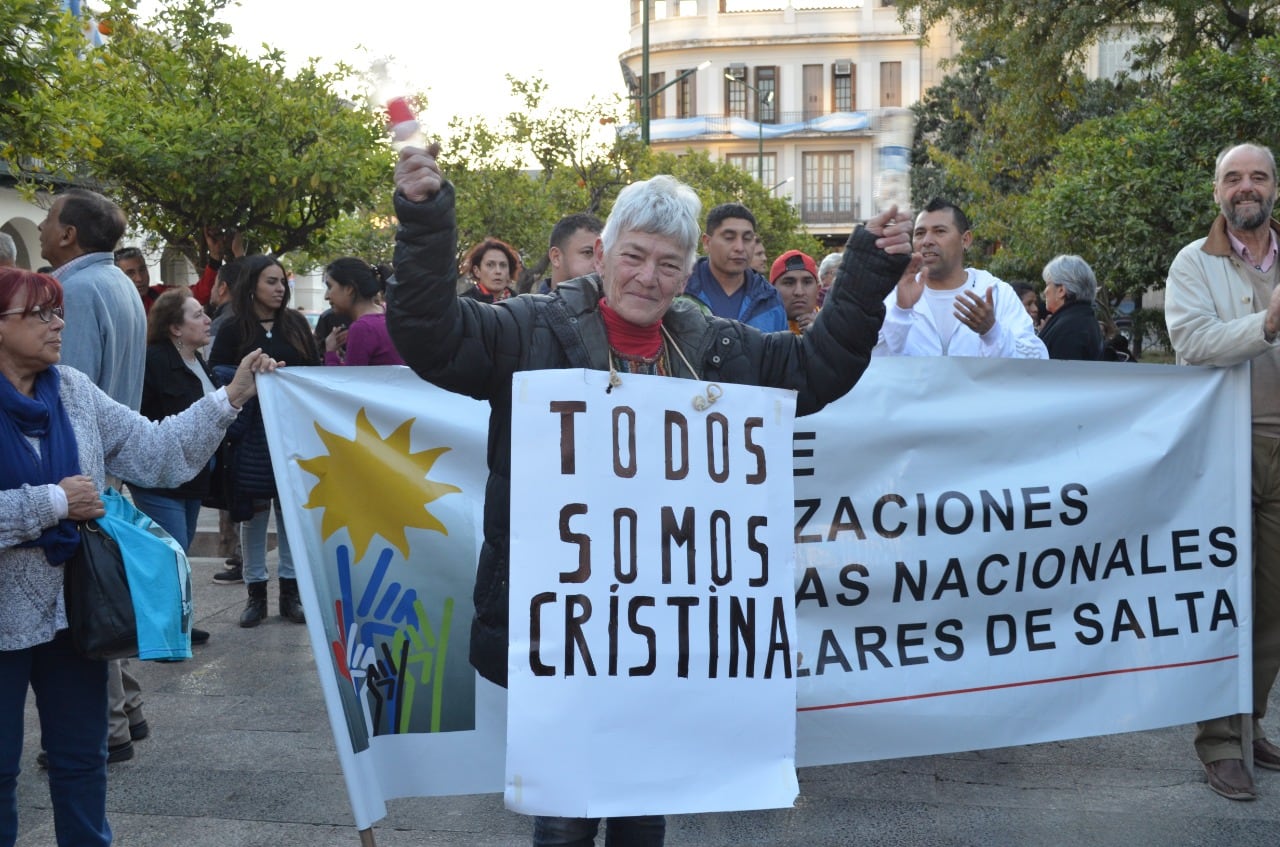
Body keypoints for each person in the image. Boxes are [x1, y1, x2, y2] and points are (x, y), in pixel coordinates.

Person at [387, 144, 915, 847]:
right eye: (634, 256)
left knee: (643, 810)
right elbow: (432, 336)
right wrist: (425, 219)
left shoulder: (717, 347)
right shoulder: (528, 329)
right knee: (566, 816)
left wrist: (869, 267)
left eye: (668, 264)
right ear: (602, 253)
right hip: (563, 626)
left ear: (688, 272)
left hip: (663, 628)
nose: (647, 276)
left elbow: (817, 367)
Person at [0, 266, 277, 847]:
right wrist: (53, 502)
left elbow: (158, 451)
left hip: (74, 613)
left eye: (58, 311)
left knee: (83, 759)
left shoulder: (72, 390)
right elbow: (60, 501)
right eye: (40, 314)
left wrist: (231, 396)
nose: (58, 324)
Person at [1165, 142, 1280, 801]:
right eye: (1233, 178)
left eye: (1258, 176)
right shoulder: (1192, 262)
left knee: (1272, 606)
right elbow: (1194, 342)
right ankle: (1218, 743)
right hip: (1225, 447)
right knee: (1222, 600)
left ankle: (1248, 723)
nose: (1246, 187)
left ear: (1275, 187)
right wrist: (1266, 322)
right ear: (1217, 192)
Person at [39, 188, 151, 766]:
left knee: (88, 600)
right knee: (104, 590)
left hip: (83, 473)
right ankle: (128, 707)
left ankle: (108, 729)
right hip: (108, 464)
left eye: (48, 218)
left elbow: (66, 393)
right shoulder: (118, 283)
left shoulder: (78, 291)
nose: (40, 227)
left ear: (69, 234)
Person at [209, 255, 319, 628]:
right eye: (271, 281)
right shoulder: (232, 329)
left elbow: (314, 373)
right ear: (252, 285)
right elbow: (218, 377)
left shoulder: (296, 325)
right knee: (253, 516)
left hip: (292, 435)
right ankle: (255, 594)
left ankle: (291, 594)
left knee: (291, 515)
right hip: (250, 440)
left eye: (282, 282)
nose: (279, 288)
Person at [874, 198, 1047, 358]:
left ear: (965, 240)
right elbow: (872, 365)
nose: (927, 241)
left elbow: (1036, 361)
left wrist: (992, 333)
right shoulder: (894, 295)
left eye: (939, 231)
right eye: (919, 233)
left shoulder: (997, 293)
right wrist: (900, 313)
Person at [683, 203, 786, 330]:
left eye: (747, 238)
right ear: (707, 242)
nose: (740, 248)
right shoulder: (680, 289)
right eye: (729, 238)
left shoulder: (769, 298)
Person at [321, 258, 403, 366]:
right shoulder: (389, 314)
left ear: (349, 288)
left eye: (329, 287)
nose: (326, 296)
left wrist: (331, 353)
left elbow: (351, 376)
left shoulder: (362, 328)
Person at [1038, 255, 1103, 360]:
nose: (1045, 291)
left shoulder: (1069, 329)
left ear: (1061, 290)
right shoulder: (1082, 319)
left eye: (1047, 284)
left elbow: (1061, 369)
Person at [534, 213, 603, 294]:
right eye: (588, 252)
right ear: (556, 257)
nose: (599, 264)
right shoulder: (527, 302)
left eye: (602, 255)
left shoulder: (611, 300)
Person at [770, 249, 821, 334]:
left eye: (807, 282)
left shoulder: (837, 328)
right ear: (772, 291)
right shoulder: (758, 332)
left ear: (818, 290)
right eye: (789, 283)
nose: (799, 292)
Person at [459, 238, 519, 303]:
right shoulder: (463, 304)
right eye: (490, 265)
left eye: (503, 265)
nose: (498, 271)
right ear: (477, 271)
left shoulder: (521, 304)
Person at [113, 247, 166, 314]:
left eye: (142, 270)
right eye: (130, 273)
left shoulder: (162, 295)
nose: (139, 278)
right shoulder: (111, 309)